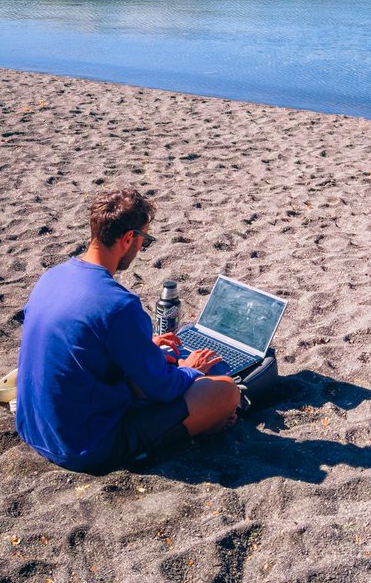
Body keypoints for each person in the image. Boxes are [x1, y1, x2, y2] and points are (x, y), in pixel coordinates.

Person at [15, 187, 239, 472]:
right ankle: (198, 427)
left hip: (34, 427)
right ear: (128, 238)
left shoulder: (52, 276)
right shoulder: (118, 305)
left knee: (152, 368)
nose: (140, 248)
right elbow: (163, 388)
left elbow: (86, 343)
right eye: (143, 240)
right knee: (225, 392)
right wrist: (191, 368)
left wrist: (145, 347)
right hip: (84, 446)